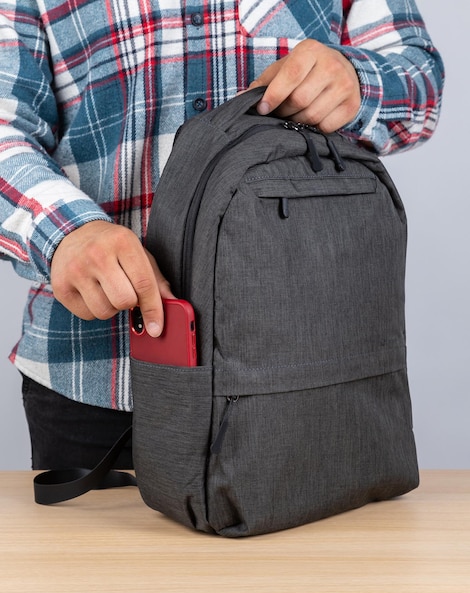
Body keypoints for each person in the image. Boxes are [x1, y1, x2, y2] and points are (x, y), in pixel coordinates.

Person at [0, 0, 444, 470]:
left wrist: (358, 80)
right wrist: (66, 232)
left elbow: (419, 81)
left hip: (310, 370)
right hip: (101, 376)